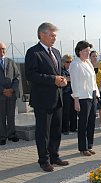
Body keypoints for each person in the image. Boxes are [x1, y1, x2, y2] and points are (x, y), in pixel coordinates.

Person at [25, 22, 69, 172]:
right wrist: (53, 79)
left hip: (57, 97)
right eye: (52, 35)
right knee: (43, 131)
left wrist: (61, 79)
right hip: (42, 100)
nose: (54, 38)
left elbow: (58, 71)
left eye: (55, 36)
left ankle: (54, 156)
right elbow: (30, 75)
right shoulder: (33, 52)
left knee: (56, 129)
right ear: (42, 34)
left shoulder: (56, 52)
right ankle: (44, 160)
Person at [69, 41, 100, 156]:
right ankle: (83, 147)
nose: (88, 53)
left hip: (91, 94)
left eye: (88, 50)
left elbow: (93, 79)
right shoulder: (75, 64)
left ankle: (89, 145)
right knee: (83, 123)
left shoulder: (88, 62)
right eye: (86, 51)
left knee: (91, 121)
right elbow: (74, 83)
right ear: (79, 51)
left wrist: (96, 94)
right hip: (82, 96)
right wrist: (76, 99)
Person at [0, 41, 20, 145]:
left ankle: (12, 134)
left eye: (3, 49)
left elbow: (17, 77)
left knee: (11, 115)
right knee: (1, 116)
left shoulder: (11, 62)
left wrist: (12, 89)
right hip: (1, 95)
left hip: (11, 94)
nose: (2, 51)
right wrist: (3, 90)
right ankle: (2, 136)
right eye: (0, 49)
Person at [90, 50, 101, 132]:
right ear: (90, 57)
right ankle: (90, 126)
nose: (95, 57)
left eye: (96, 56)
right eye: (93, 56)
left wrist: (99, 89)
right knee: (91, 108)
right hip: (90, 89)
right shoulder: (88, 65)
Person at [61, 54, 77, 135]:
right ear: (63, 62)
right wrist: (69, 79)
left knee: (74, 110)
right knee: (66, 111)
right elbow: (63, 79)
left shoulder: (73, 69)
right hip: (65, 92)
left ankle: (73, 128)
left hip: (73, 92)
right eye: (68, 62)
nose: (70, 63)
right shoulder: (61, 70)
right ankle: (65, 129)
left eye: (71, 61)